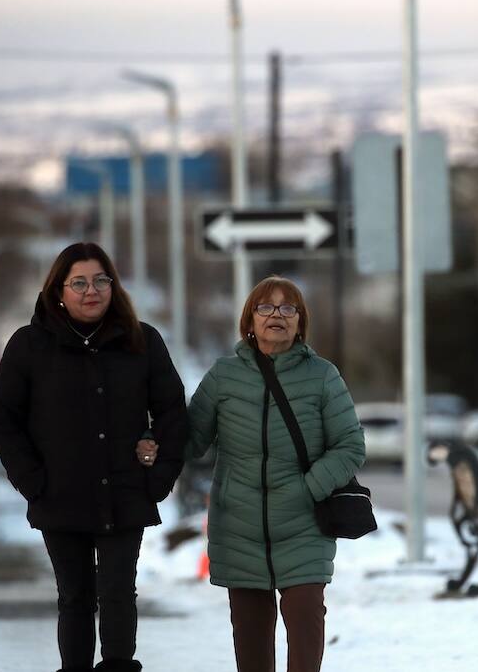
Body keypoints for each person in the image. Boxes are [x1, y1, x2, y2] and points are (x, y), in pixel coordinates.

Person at [0, 242, 188, 672]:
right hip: (59, 494)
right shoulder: (29, 345)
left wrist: (159, 477)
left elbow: (172, 412)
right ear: (58, 290)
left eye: (100, 280)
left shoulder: (142, 341)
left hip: (126, 491)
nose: (91, 290)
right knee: (75, 597)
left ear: (113, 286)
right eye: (78, 282)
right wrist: (32, 481)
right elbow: (1, 420)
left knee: (118, 593)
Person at [148, 275, 364, 672]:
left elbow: (350, 446)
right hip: (239, 525)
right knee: (250, 646)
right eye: (266, 307)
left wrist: (308, 488)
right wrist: (151, 437)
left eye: (288, 308)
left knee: (305, 626)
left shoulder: (322, 376)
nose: (276, 315)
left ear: (300, 322)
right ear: (250, 320)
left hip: (303, 524)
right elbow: (191, 440)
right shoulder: (224, 376)